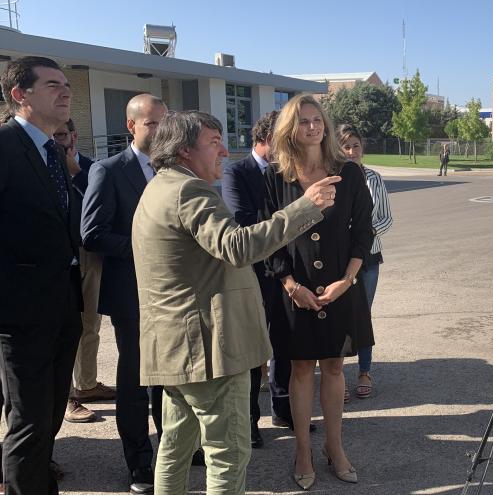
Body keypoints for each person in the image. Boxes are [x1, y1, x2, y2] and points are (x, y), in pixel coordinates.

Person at [132, 110, 339, 494]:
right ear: (183, 151)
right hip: (208, 352)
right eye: (214, 143)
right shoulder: (187, 191)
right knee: (227, 453)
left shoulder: (161, 187)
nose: (225, 152)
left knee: (176, 447)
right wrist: (305, 207)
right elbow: (236, 246)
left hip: (178, 348)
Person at [263, 94, 374, 490]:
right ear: (289, 129)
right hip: (295, 289)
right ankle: (302, 452)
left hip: (341, 288)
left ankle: (334, 446)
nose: (312, 127)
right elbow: (269, 241)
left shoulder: (349, 173)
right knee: (298, 369)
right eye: (303, 121)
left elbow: (364, 232)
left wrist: (349, 279)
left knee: (333, 367)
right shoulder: (276, 178)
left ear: (325, 125)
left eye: (317, 120)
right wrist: (290, 285)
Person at [0, 55, 82, 495]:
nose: (65, 92)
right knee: (29, 420)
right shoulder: (6, 147)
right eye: (52, 85)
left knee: (49, 415)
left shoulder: (53, 150)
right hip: (21, 312)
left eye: (66, 84)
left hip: (63, 304)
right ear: (20, 94)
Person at [81, 93, 167, 494]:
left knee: (172, 380)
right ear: (131, 126)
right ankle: (139, 462)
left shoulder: (173, 170)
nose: (159, 130)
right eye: (151, 123)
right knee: (136, 381)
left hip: (174, 294)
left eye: (163, 122)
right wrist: (144, 245)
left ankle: (173, 450)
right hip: (132, 295)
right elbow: (92, 233)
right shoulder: (108, 170)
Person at [221, 110, 294, 448]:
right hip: (250, 275)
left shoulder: (286, 173)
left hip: (284, 272)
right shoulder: (235, 172)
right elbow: (242, 221)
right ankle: (250, 420)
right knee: (253, 354)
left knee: (284, 344)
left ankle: (283, 409)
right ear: (265, 141)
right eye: (283, 142)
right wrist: (285, 222)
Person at [54, 118, 117, 424]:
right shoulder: (39, 168)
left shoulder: (94, 169)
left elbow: (100, 204)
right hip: (55, 258)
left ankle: (88, 384)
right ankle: (67, 397)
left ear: (74, 136)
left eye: (62, 135)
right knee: (62, 329)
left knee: (90, 324)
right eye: (51, 136)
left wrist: (76, 174)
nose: (57, 141)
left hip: (88, 255)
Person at [338, 124, 393, 401]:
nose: (351, 152)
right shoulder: (331, 178)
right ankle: (337, 378)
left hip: (368, 258)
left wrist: (364, 233)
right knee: (339, 317)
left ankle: (364, 372)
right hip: (339, 259)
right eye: (345, 147)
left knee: (363, 316)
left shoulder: (374, 179)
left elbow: (386, 218)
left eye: (355, 146)